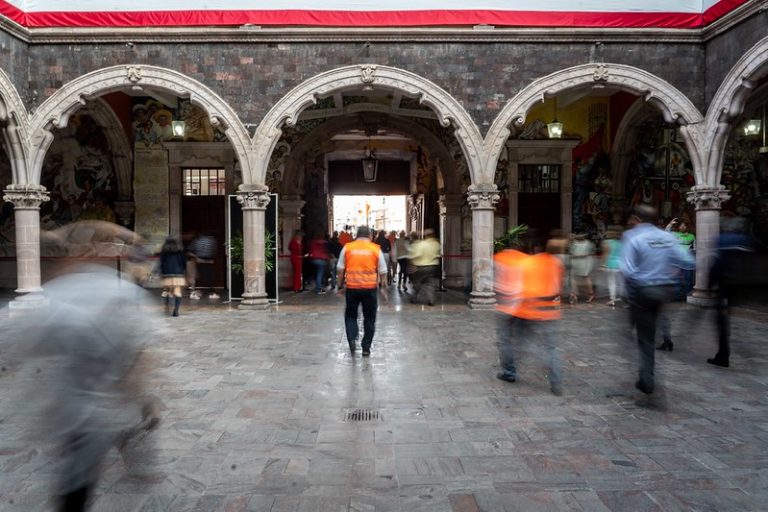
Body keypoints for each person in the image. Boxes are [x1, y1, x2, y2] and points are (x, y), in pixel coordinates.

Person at [620, 205, 694, 394]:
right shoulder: (668, 237)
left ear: (638, 218)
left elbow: (627, 269)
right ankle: (659, 345)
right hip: (665, 290)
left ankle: (647, 379)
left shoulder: (633, 236)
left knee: (645, 338)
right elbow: (687, 261)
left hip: (644, 291)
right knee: (653, 327)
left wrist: (640, 282)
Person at [494, 237, 565, 395]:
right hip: (551, 310)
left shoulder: (526, 263)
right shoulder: (555, 263)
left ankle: (510, 370)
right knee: (550, 347)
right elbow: (559, 287)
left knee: (512, 341)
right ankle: (556, 380)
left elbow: (520, 287)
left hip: (524, 308)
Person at [707, 216, 754, 368]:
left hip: (725, 284)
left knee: (721, 320)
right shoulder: (745, 240)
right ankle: (726, 353)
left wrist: (709, 284)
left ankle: (723, 355)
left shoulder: (722, 239)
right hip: (740, 285)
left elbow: (717, 263)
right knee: (725, 317)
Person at [336, 226, 388, 356]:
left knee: (350, 315)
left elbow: (340, 268)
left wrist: (340, 285)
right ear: (370, 236)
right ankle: (366, 348)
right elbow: (383, 271)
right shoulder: (375, 249)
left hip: (352, 287)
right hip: (370, 288)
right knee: (369, 318)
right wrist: (383, 288)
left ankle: (352, 338)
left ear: (356, 235)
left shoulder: (348, 247)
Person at [408, 229, 442, 306]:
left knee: (417, 283)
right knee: (430, 283)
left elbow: (418, 254)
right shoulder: (436, 244)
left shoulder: (422, 244)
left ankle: (414, 298)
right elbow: (438, 255)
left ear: (425, 235)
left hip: (421, 266)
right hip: (432, 266)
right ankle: (431, 300)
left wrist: (411, 259)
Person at [160, 236, 187, 317]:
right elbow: (184, 263)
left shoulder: (164, 252)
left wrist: (162, 272)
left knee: (167, 291)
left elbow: (161, 263)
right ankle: (176, 310)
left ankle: (167, 307)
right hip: (178, 274)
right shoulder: (180, 252)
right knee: (177, 292)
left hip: (167, 274)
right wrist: (182, 270)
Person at [188, 232, 218, 300]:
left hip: (200, 260)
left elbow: (189, 250)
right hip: (210, 261)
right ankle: (211, 292)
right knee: (209, 277)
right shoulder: (212, 240)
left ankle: (196, 292)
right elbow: (214, 250)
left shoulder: (197, 240)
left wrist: (196, 257)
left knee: (200, 276)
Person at [569, 233, 596, 304]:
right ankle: (590, 294)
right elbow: (592, 252)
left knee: (574, 278)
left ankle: (574, 294)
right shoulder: (589, 243)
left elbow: (571, 253)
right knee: (586, 278)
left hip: (577, 262)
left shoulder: (574, 243)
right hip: (585, 262)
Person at [601, 230, 623, 307]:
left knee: (612, 282)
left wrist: (603, 265)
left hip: (610, 264)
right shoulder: (621, 243)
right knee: (620, 282)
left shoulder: (607, 242)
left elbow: (605, 254)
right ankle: (622, 298)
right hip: (620, 264)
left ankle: (612, 299)